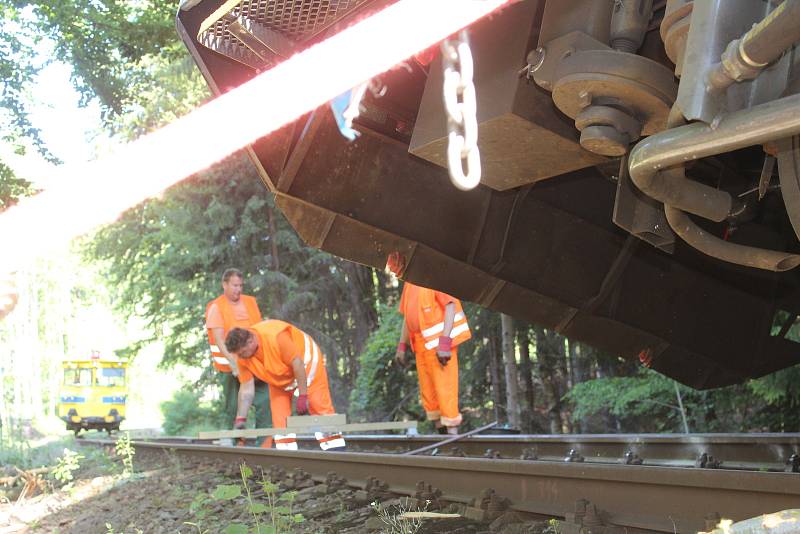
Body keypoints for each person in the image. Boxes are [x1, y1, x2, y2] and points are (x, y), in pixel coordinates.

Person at [225, 320, 345, 451]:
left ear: (251, 341)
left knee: (318, 404)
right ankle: (287, 455)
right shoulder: (242, 358)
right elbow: (246, 389)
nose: (241, 357)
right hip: (279, 376)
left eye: (242, 353)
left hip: (306, 364)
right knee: (280, 417)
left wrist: (303, 396)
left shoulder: (277, 337)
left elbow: (297, 364)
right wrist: (240, 418)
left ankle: (335, 449)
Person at [387, 252, 471, 435]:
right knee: (431, 399)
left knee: (445, 394)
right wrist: (402, 346)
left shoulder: (433, 276)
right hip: (421, 348)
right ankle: (443, 443)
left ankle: (452, 442)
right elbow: (407, 317)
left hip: (439, 348)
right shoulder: (410, 283)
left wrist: (445, 344)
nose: (396, 273)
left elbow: (451, 306)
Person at [205, 268, 270, 433]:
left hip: (252, 362)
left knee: (264, 399)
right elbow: (219, 340)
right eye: (234, 285)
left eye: (240, 285)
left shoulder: (250, 302)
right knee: (233, 406)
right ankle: (234, 444)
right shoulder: (216, 307)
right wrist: (233, 362)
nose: (238, 289)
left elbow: (259, 330)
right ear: (224, 284)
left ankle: (264, 440)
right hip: (229, 368)